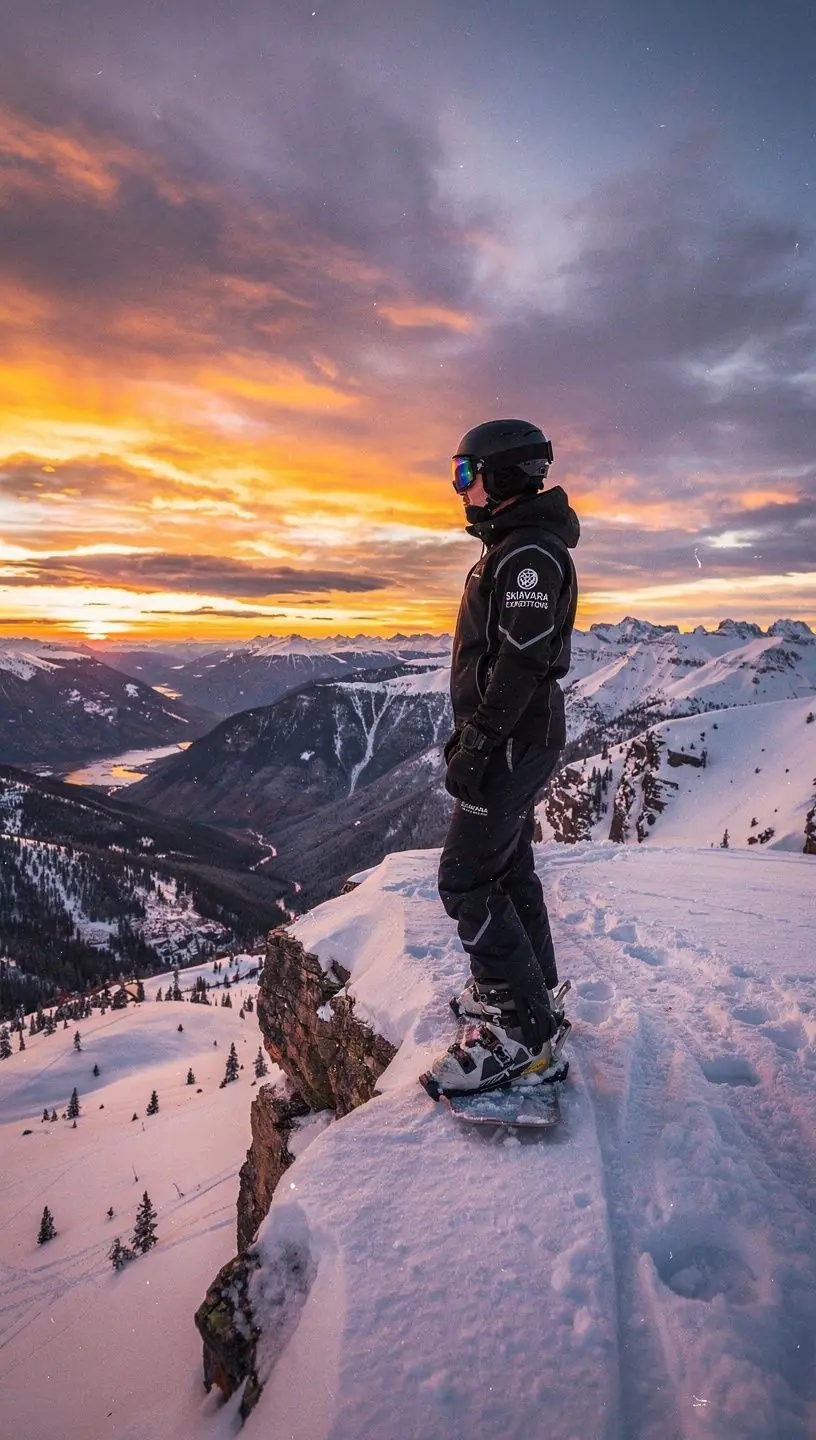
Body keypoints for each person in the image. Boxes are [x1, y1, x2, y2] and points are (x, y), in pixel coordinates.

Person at [427, 418, 580, 1097]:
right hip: (517, 737)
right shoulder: (515, 549)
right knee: (507, 864)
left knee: (464, 878)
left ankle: (524, 1035)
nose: (458, 488)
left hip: (514, 740)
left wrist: (479, 744)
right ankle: (534, 992)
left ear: (505, 475)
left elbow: (521, 665)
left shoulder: (528, 558)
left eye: (467, 473)